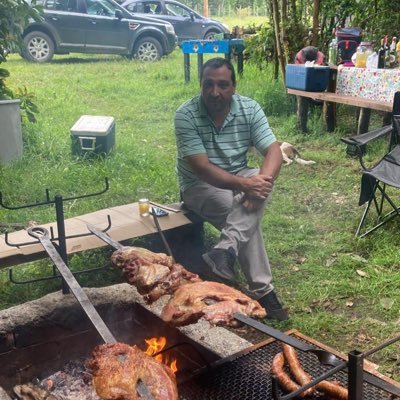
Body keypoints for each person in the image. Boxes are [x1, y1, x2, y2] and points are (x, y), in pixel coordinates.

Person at [174, 57, 288, 321]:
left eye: (223, 85)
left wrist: (261, 184)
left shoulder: (249, 109)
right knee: (236, 211)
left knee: (253, 195)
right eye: (209, 85)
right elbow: (201, 168)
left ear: (234, 86)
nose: (215, 92)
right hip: (199, 184)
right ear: (200, 85)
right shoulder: (186, 115)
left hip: (240, 176)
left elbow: (273, 150)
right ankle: (264, 291)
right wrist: (247, 186)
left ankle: (224, 250)